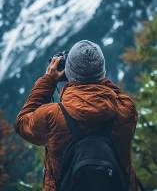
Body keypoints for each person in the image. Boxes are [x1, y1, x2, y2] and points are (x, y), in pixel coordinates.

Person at [14, 40, 138, 191]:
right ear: (101, 72)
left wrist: (48, 80)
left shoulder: (52, 115)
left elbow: (21, 123)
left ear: (69, 71)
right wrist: (93, 73)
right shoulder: (126, 110)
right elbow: (115, 92)